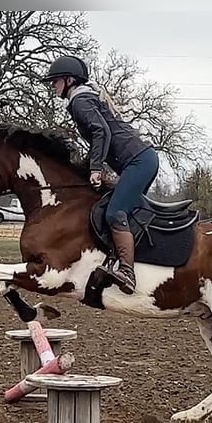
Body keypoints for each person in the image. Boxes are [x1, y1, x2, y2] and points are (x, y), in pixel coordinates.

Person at [41, 55, 159, 295]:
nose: (52, 86)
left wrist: (95, 168)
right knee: (121, 210)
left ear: (69, 80)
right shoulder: (85, 98)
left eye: (55, 81)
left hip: (138, 161)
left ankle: (127, 271)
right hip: (141, 160)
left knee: (116, 212)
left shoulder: (79, 101)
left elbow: (100, 131)